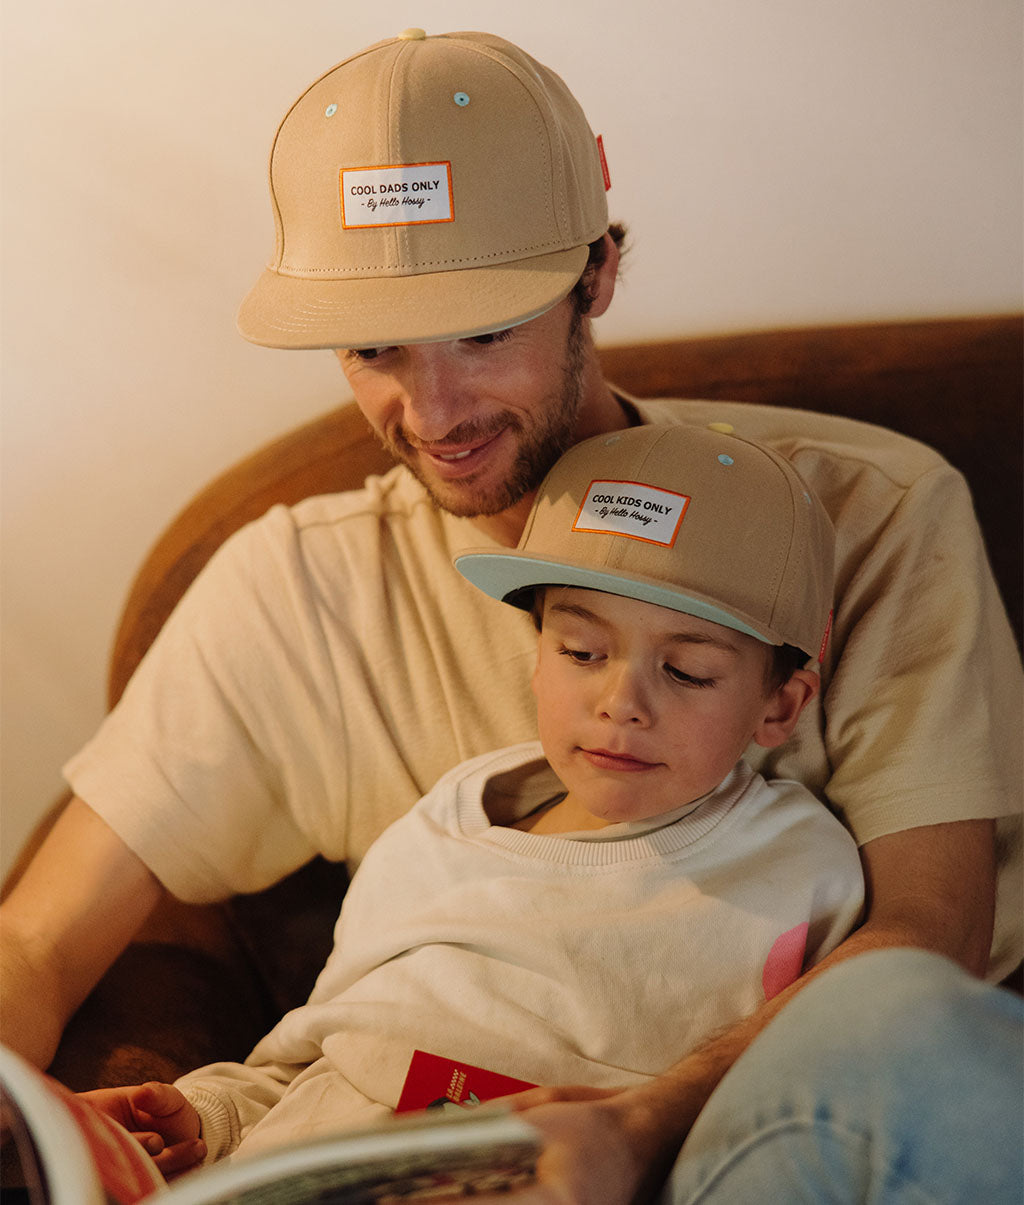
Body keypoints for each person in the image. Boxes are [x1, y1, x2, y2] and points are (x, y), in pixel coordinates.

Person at [1, 26, 1020, 1203]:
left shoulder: (874, 512)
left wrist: (643, 1125)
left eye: (484, 332)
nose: (431, 410)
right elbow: (37, 940)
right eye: (373, 345)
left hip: (782, 1132)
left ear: (596, 273)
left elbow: (928, 941)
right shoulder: (297, 588)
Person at [77, 423, 865, 1174]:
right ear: (536, 658)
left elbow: (821, 1115)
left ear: (781, 707)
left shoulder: (799, 870)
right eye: (581, 650)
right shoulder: (437, 835)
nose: (621, 700)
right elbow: (309, 1063)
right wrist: (206, 1117)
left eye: (688, 670)